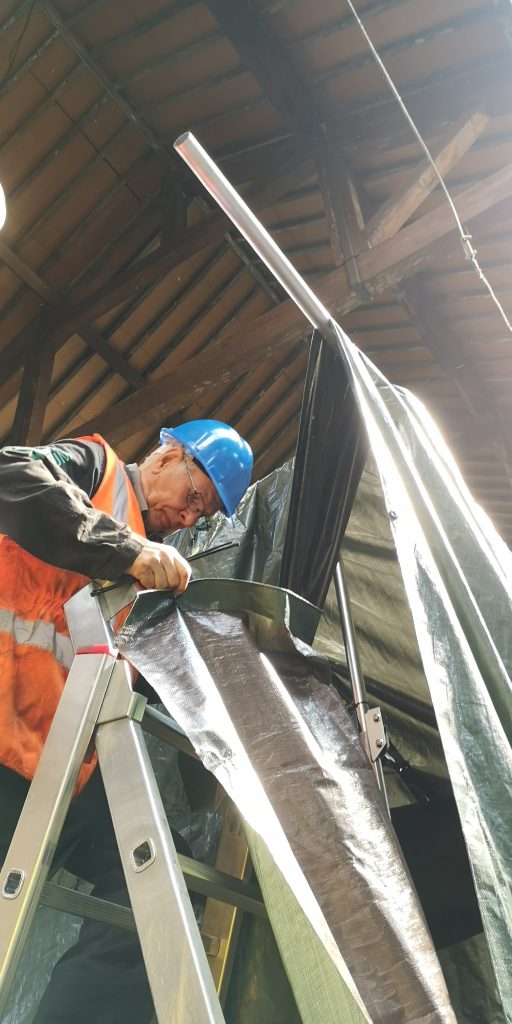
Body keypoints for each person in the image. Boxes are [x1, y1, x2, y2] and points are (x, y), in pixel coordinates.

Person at [0, 420, 252, 1023]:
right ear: (169, 455)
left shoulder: (159, 572)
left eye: (205, 514)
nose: (190, 519)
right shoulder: (94, 470)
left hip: (60, 770)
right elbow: (8, 471)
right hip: (4, 738)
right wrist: (127, 550)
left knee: (166, 884)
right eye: (195, 498)